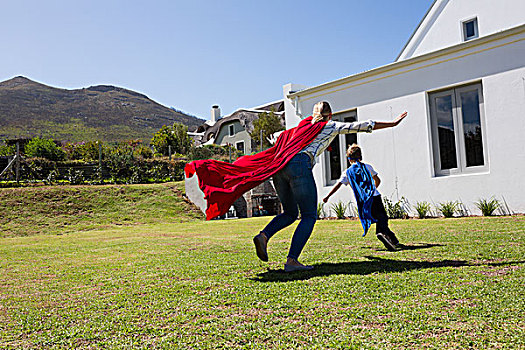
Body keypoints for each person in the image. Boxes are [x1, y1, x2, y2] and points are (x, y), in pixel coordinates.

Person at [253, 102, 407, 272]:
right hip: (299, 165)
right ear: (330, 115)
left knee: (290, 213)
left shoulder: (300, 128)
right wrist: (392, 123)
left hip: (280, 167)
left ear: (313, 115)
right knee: (309, 215)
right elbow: (360, 126)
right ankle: (292, 260)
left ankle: (264, 235)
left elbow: (276, 137)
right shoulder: (329, 125)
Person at [323, 144, 402, 251]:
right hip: (375, 196)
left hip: (363, 201)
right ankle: (382, 234)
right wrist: (372, 189)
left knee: (378, 218)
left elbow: (338, 185)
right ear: (360, 156)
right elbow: (378, 180)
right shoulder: (367, 167)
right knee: (382, 218)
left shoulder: (347, 172)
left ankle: (393, 240)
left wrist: (327, 196)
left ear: (349, 158)